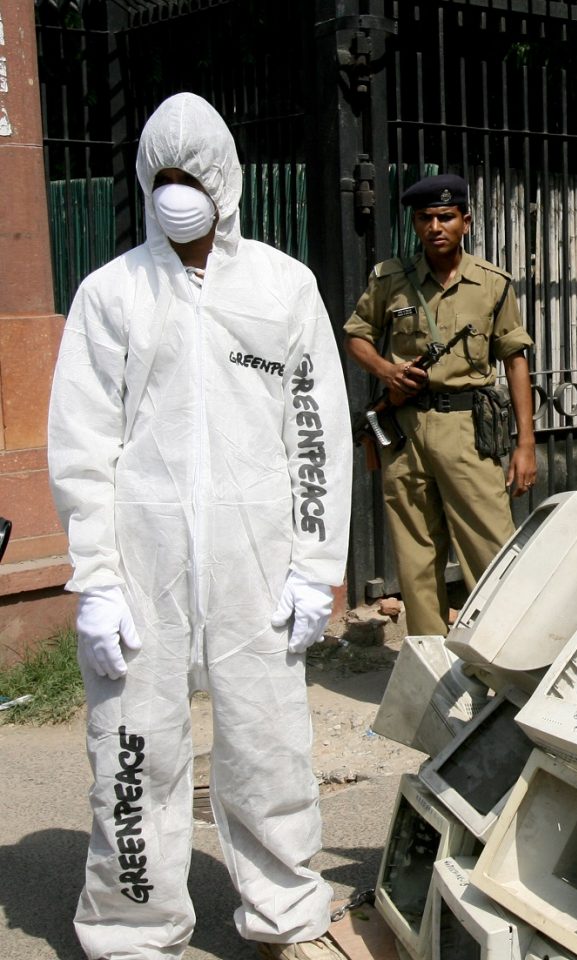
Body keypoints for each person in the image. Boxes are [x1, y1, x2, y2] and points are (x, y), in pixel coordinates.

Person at [48, 93, 353, 959]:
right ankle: (133, 929)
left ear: (226, 180)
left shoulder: (282, 286)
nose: (179, 191)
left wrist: (314, 565)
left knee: (270, 750)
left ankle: (288, 914)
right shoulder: (111, 295)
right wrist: (96, 582)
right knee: (134, 755)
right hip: (140, 568)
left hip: (256, 562)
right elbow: (82, 447)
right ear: (147, 179)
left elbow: (315, 433)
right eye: (166, 176)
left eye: (194, 175)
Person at [344, 174, 536, 637]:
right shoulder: (391, 279)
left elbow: (515, 360)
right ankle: (429, 664)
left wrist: (525, 443)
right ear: (414, 223)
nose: (435, 227)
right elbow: (356, 335)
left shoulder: (492, 284)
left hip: (468, 428)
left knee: (489, 548)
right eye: (425, 218)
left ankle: (502, 655)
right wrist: (387, 372)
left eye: (445, 217)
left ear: (465, 221)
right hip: (406, 431)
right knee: (416, 555)